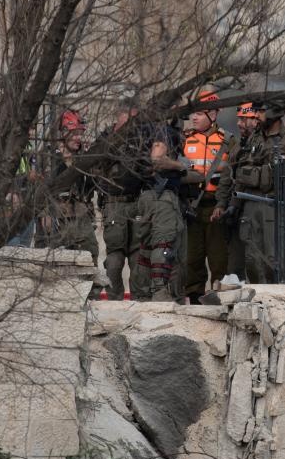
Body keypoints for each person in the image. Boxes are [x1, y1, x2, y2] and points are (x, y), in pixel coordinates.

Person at [212, 100, 285, 284]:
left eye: (261, 112)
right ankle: (257, 294)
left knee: (272, 259)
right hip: (250, 202)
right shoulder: (255, 137)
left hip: (273, 203)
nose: (257, 116)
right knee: (251, 259)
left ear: (273, 113)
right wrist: (232, 205)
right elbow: (241, 174)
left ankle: (272, 294)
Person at [91, 96, 152, 300]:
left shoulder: (142, 140)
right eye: (131, 118)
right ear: (120, 115)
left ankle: (140, 298)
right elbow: (94, 167)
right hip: (114, 204)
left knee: (138, 256)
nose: (134, 124)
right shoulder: (106, 139)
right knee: (114, 260)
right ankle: (114, 298)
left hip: (136, 202)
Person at [35, 110, 100, 293]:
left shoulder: (83, 156)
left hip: (79, 216)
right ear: (64, 133)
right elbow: (41, 188)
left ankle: (90, 296)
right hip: (55, 215)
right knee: (51, 263)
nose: (78, 138)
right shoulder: (49, 156)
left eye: (80, 133)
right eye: (75, 133)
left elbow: (90, 184)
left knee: (89, 256)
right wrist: (44, 213)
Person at [182, 91, 228, 304]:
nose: (194, 117)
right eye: (193, 113)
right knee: (192, 256)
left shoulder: (228, 141)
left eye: (199, 113)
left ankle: (219, 296)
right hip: (191, 206)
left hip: (216, 204)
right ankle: (194, 296)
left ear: (213, 114)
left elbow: (231, 174)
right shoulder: (186, 139)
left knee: (218, 257)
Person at [137, 124, 188, 301]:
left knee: (148, 248)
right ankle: (159, 291)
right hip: (162, 197)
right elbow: (157, 158)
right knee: (163, 245)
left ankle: (144, 294)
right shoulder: (163, 130)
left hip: (151, 196)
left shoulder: (149, 129)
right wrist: (178, 165)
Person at [222, 102, 259, 280]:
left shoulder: (263, 144)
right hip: (236, 210)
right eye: (239, 119)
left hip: (255, 209)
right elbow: (227, 176)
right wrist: (222, 204)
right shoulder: (238, 146)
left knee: (255, 261)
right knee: (234, 265)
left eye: (244, 119)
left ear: (255, 120)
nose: (239, 123)